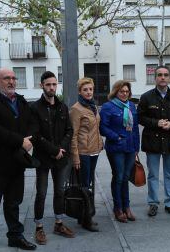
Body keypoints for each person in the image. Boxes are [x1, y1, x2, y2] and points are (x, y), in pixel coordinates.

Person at [0, 68, 37, 251]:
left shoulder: (20, 100)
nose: (11, 81)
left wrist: (30, 138)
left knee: (13, 204)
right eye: (6, 78)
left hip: (17, 163)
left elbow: (32, 123)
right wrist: (20, 140)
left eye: (13, 78)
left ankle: (15, 236)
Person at [138, 65, 170, 217]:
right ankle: (153, 203)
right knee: (153, 174)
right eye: (159, 75)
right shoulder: (146, 97)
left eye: (165, 75)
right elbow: (140, 117)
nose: (163, 77)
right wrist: (156, 123)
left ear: (169, 77)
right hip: (153, 140)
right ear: (155, 78)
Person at [31, 71, 74, 244]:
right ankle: (39, 227)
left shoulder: (62, 107)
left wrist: (61, 149)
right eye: (48, 84)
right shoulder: (34, 108)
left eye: (54, 84)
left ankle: (58, 223)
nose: (52, 87)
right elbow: (35, 135)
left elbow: (69, 131)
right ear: (42, 85)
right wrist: (53, 150)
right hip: (43, 158)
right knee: (41, 193)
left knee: (60, 191)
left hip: (61, 158)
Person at [100, 80, 140, 223]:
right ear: (115, 92)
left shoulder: (131, 106)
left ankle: (126, 207)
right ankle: (118, 208)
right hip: (116, 147)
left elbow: (135, 129)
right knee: (118, 176)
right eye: (121, 91)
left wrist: (137, 147)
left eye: (126, 91)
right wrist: (116, 137)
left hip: (130, 147)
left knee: (126, 177)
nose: (124, 94)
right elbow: (103, 128)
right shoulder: (107, 107)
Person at [70, 77, 103, 232]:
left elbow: (95, 129)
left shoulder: (92, 106)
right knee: (84, 186)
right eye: (85, 90)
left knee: (88, 184)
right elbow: (74, 134)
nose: (89, 92)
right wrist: (75, 156)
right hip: (83, 152)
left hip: (94, 151)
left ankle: (83, 216)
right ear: (79, 91)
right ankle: (86, 219)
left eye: (90, 89)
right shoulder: (76, 109)